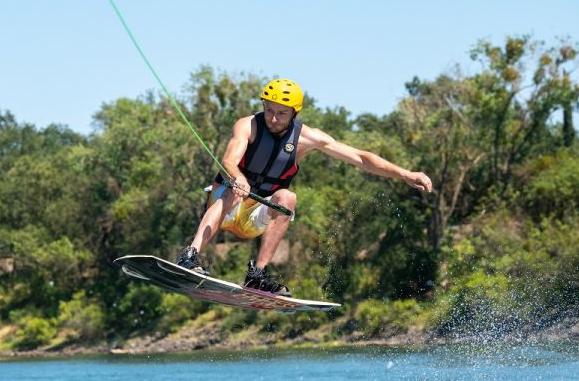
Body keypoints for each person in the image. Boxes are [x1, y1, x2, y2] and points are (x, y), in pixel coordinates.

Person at [176, 78, 433, 295]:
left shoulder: (308, 138)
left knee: (288, 197)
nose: (273, 118)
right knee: (232, 192)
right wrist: (238, 178)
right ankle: (190, 257)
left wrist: (404, 173)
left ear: (295, 113)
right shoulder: (248, 125)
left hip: (255, 218)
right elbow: (229, 160)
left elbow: (362, 158)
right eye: (269, 110)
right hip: (225, 207)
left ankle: (257, 275)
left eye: (282, 113)